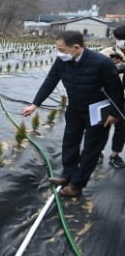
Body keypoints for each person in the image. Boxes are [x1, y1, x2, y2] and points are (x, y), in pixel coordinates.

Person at [22, 30, 124, 197]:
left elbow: (116, 90)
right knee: (69, 143)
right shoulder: (62, 61)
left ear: (76, 47)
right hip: (75, 109)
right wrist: (35, 104)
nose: (59, 53)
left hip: (97, 111)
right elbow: (50, 81)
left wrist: (114, 114)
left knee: (91, 149)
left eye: (62, 49)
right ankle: (67, 175)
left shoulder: (101, 63)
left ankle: (77, 184)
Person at [98, 25, 125, 168]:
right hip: (108, 96)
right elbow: (96, 73)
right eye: (120, 39)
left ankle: (115, 154)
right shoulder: (107, 53)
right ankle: (97, 152)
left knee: (122, 127)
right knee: (103, 124)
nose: (122, 42)